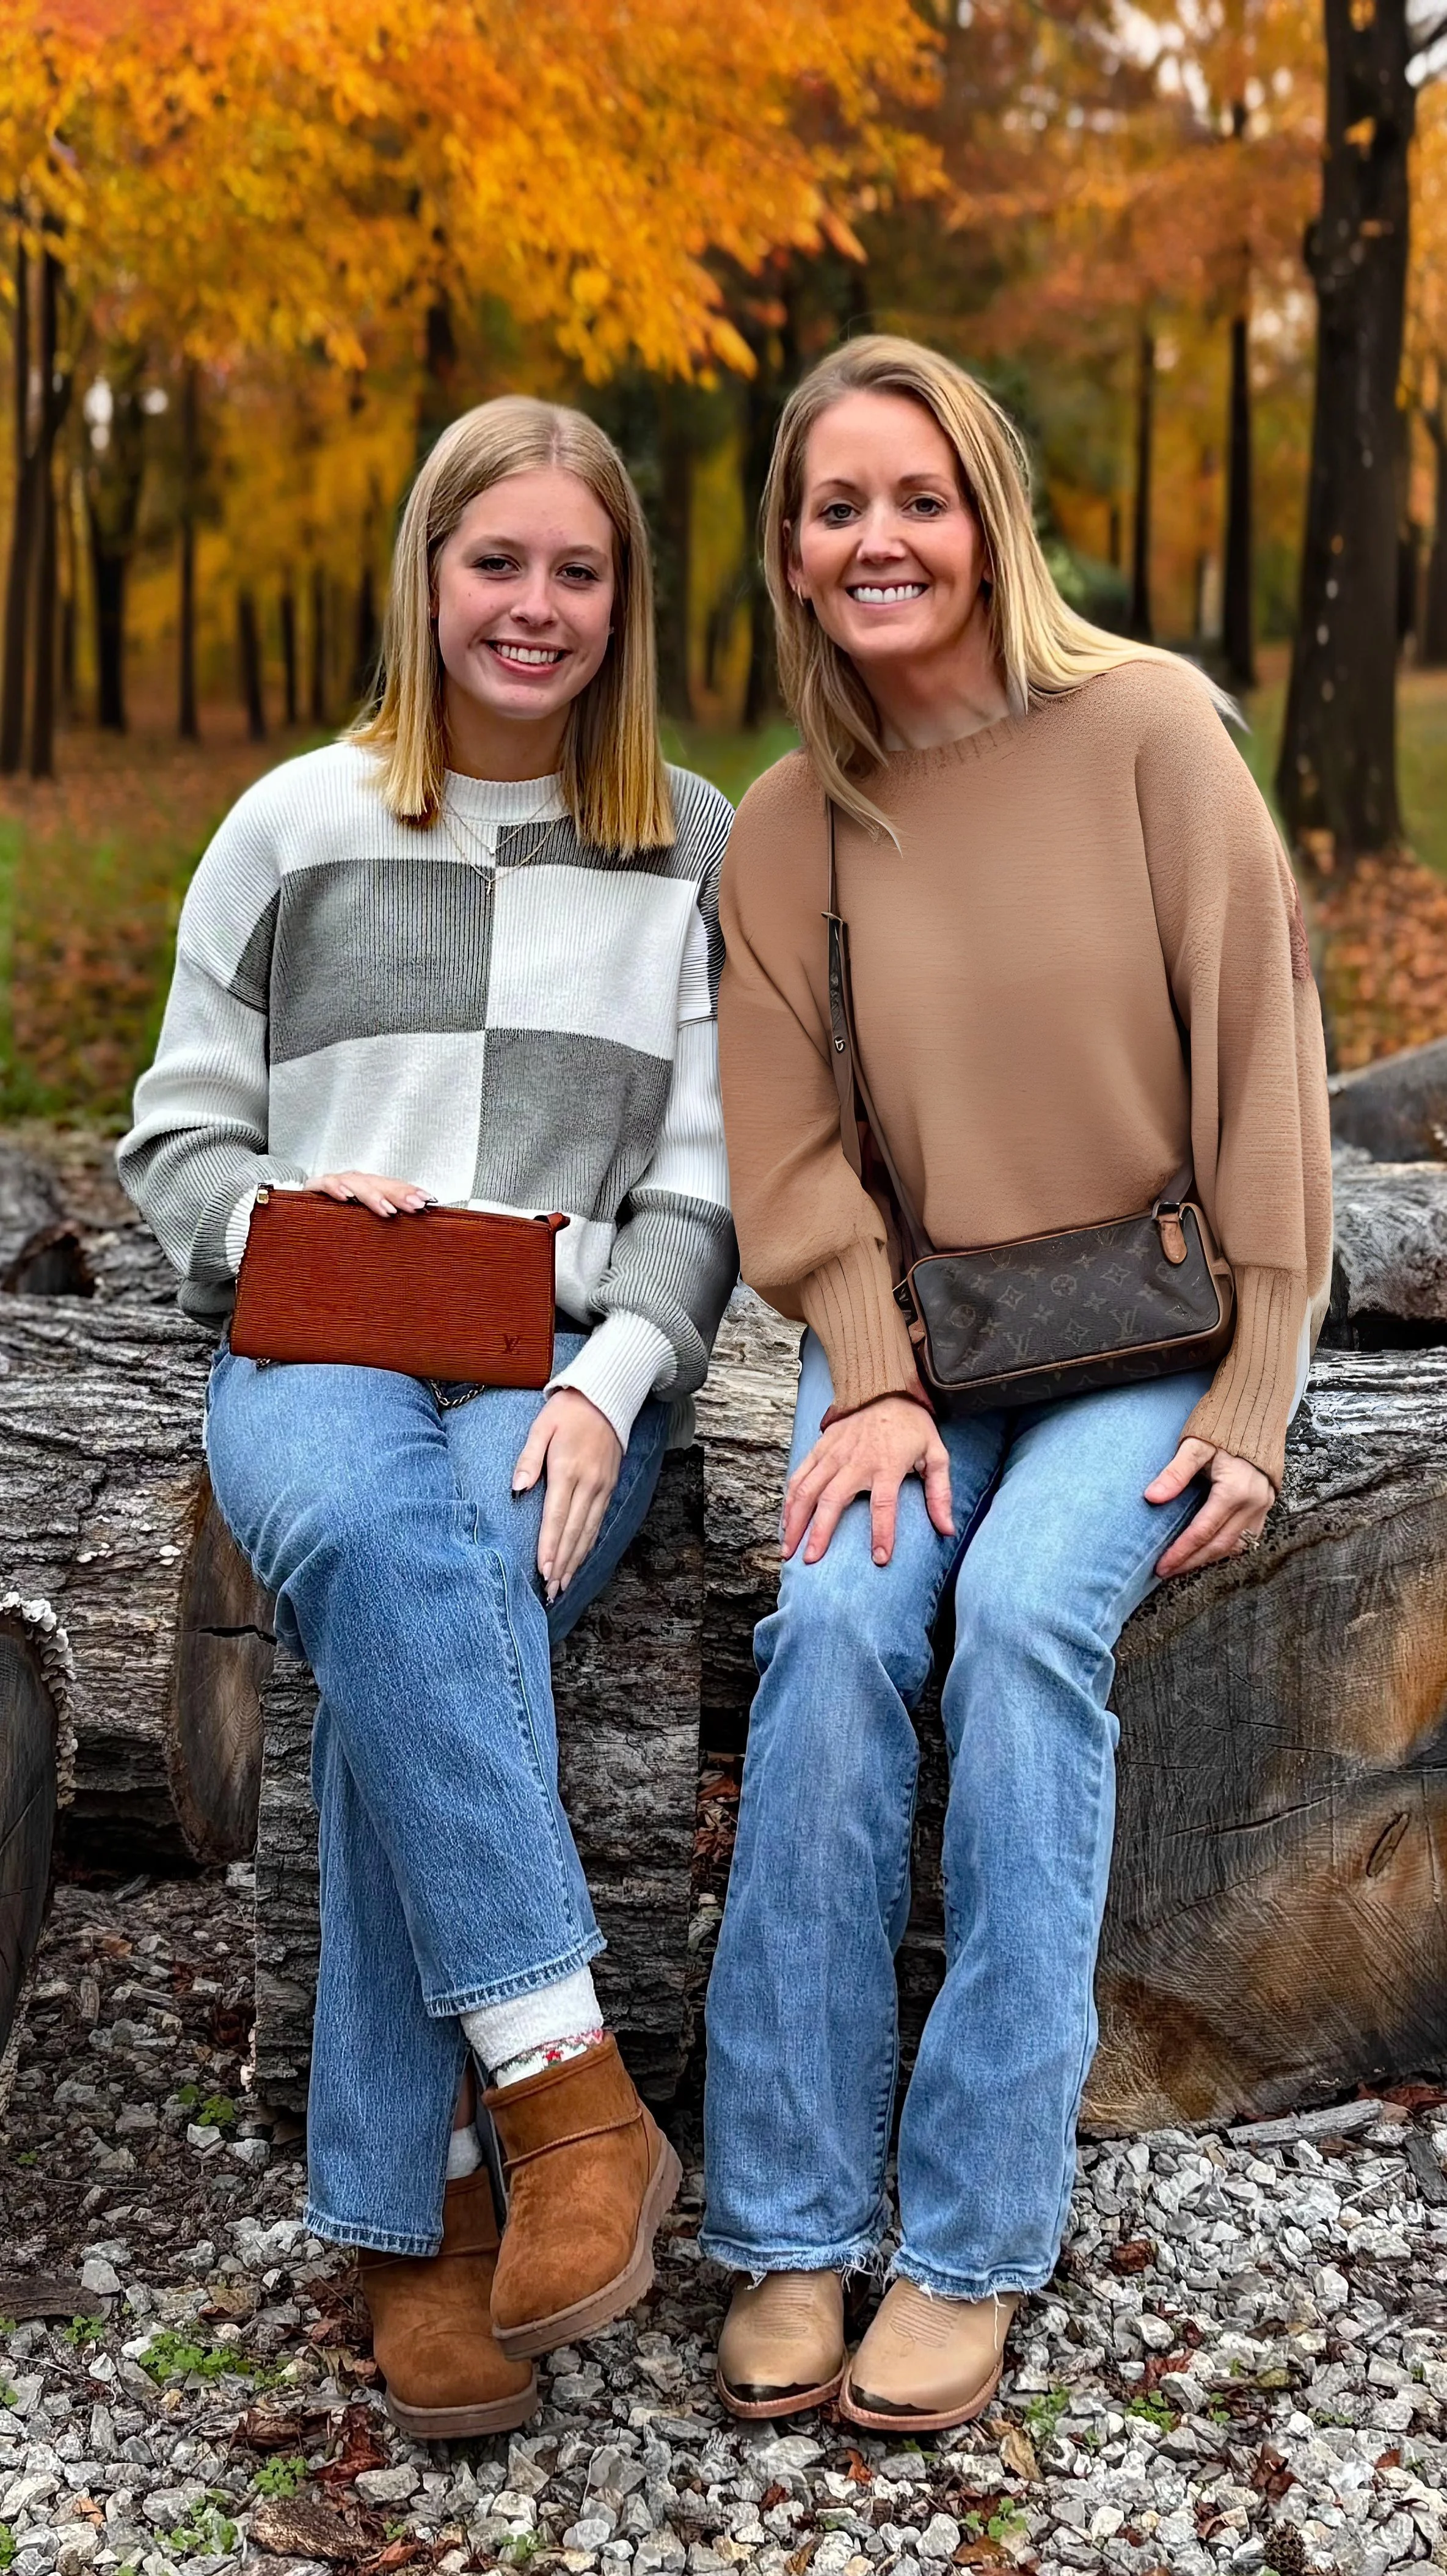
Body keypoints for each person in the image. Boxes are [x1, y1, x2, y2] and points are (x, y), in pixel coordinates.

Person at [703, 335, 1330, 2433]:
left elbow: (1266, 1057)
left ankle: (970, 2235)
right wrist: (866, 1376)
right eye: (834, 508)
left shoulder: (1151, 729)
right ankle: (791, 2218)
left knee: (1025, 1621)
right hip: (924, 1351)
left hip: (1145, 1333)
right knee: (839, 1623)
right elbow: (788, 1158)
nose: (878, 540)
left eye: (916, 499)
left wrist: (1257, 1384)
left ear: (986, 515)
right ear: (791, 555)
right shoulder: (792, 830)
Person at [118, 397, 735, 2438]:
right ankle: (567, 2099)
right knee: (393, 1557)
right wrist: (290, 1214)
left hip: (559, 1368)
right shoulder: (292, 826)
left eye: (578, 569)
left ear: (624, 597)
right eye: (499, 564)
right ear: (427, 576)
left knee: (450, 1590)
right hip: (315, 1340)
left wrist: (611, 1387)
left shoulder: (690, 847)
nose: (536, 607)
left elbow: (704, 1193)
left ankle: (415, 2206)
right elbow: (173, 1141)